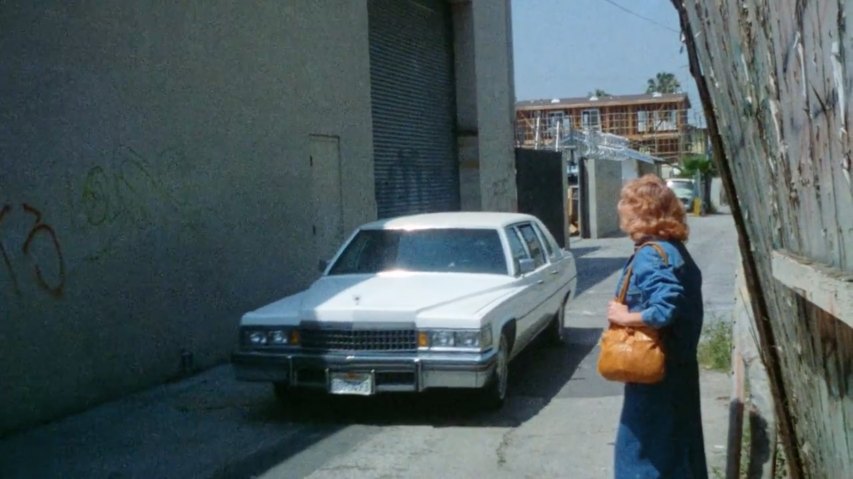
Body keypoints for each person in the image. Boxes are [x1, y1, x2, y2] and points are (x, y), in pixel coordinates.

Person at [606, 174, 708, 478]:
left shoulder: (651, 255)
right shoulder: (675, 250)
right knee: (678, 451)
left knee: (641, 456)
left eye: (627, 209)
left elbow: (666, 306)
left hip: (656, 374)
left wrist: (626, 318)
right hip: (679, 369)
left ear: (639, 213)